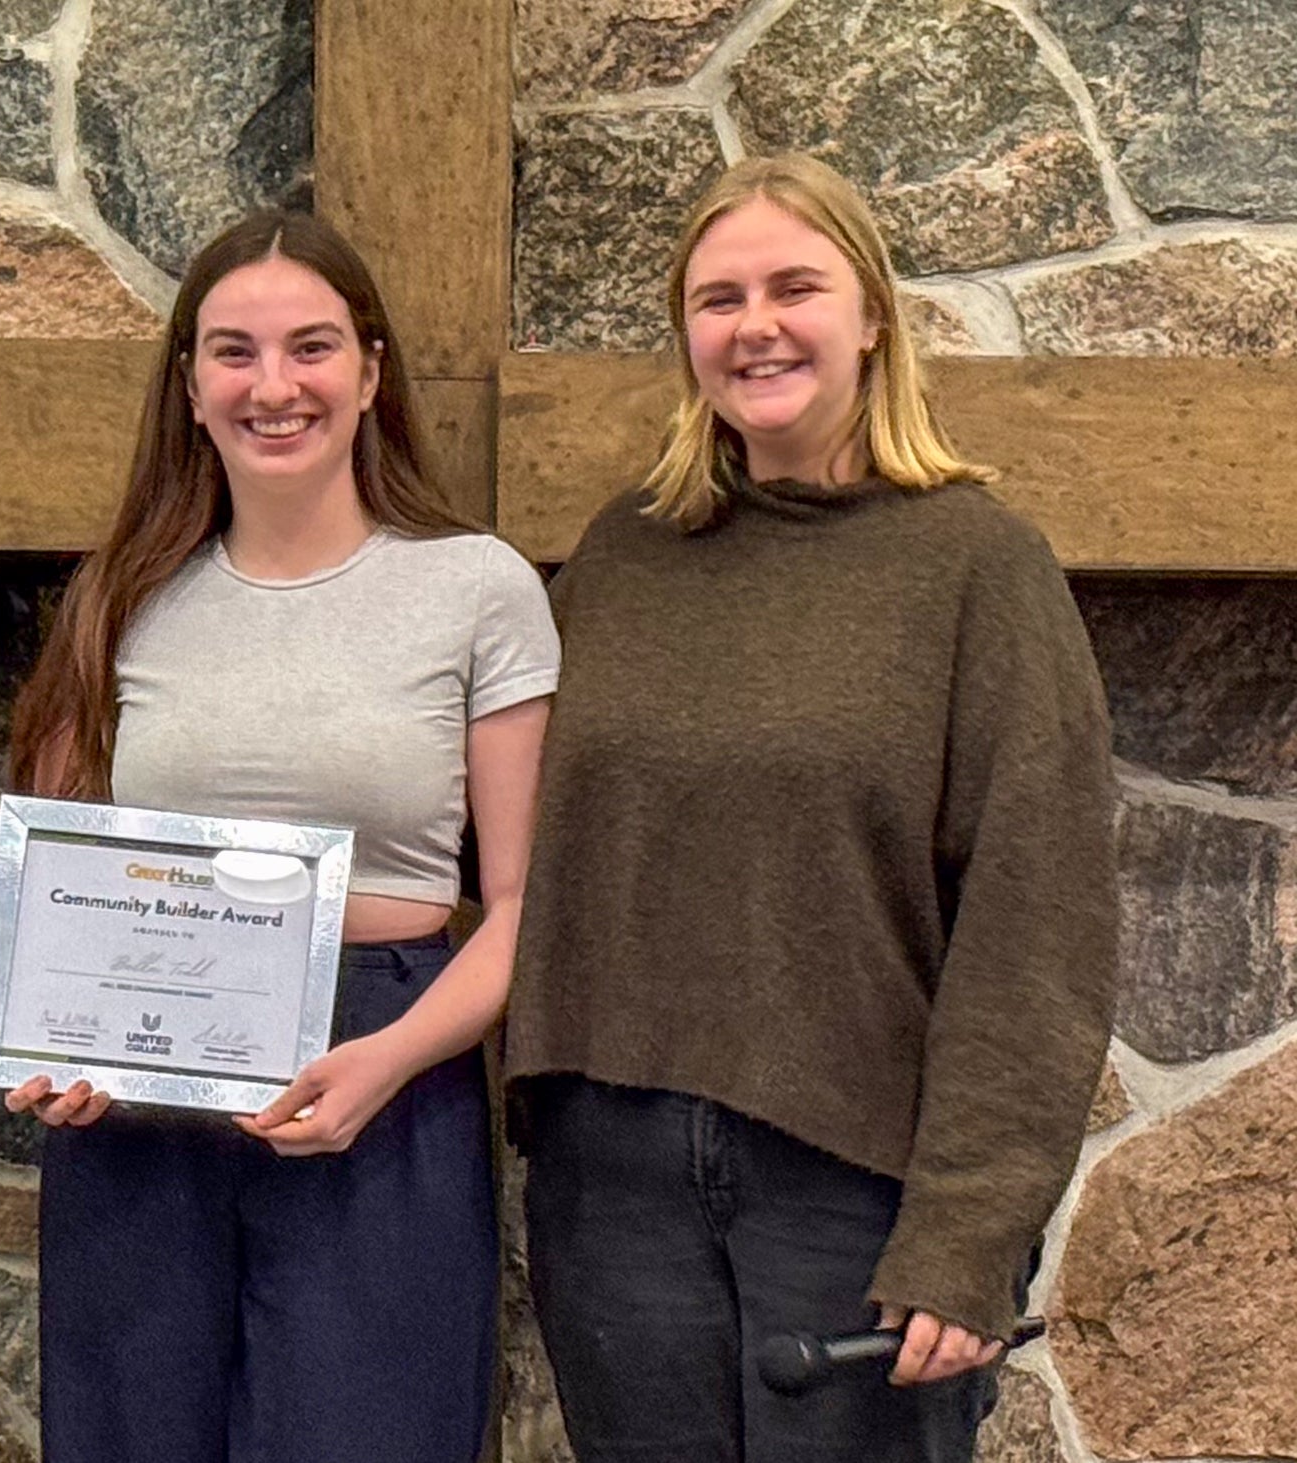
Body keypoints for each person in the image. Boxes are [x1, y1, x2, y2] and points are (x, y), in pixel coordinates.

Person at [506, 152, 1118, 1462]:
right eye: (719, 297)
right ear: (687, 333)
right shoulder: (623, 555)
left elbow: (1039, 927)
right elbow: (511, 845)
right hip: (610, 1180)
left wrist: (969, 1230)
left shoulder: (976, 566)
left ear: (872, 316)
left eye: (796, 286)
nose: (756, 324)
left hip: (852, 1188)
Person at [3, 210, 558, 1463]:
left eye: (309, 348)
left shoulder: (476, 586)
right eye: (232, 352)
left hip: (386, 1070)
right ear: (190, 387)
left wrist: (389, 1059)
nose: (272, 386)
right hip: (142, 1101)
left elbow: (524, 902)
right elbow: (61, 883)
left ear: (367, 372)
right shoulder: (122, 596)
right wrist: (55, 1053)